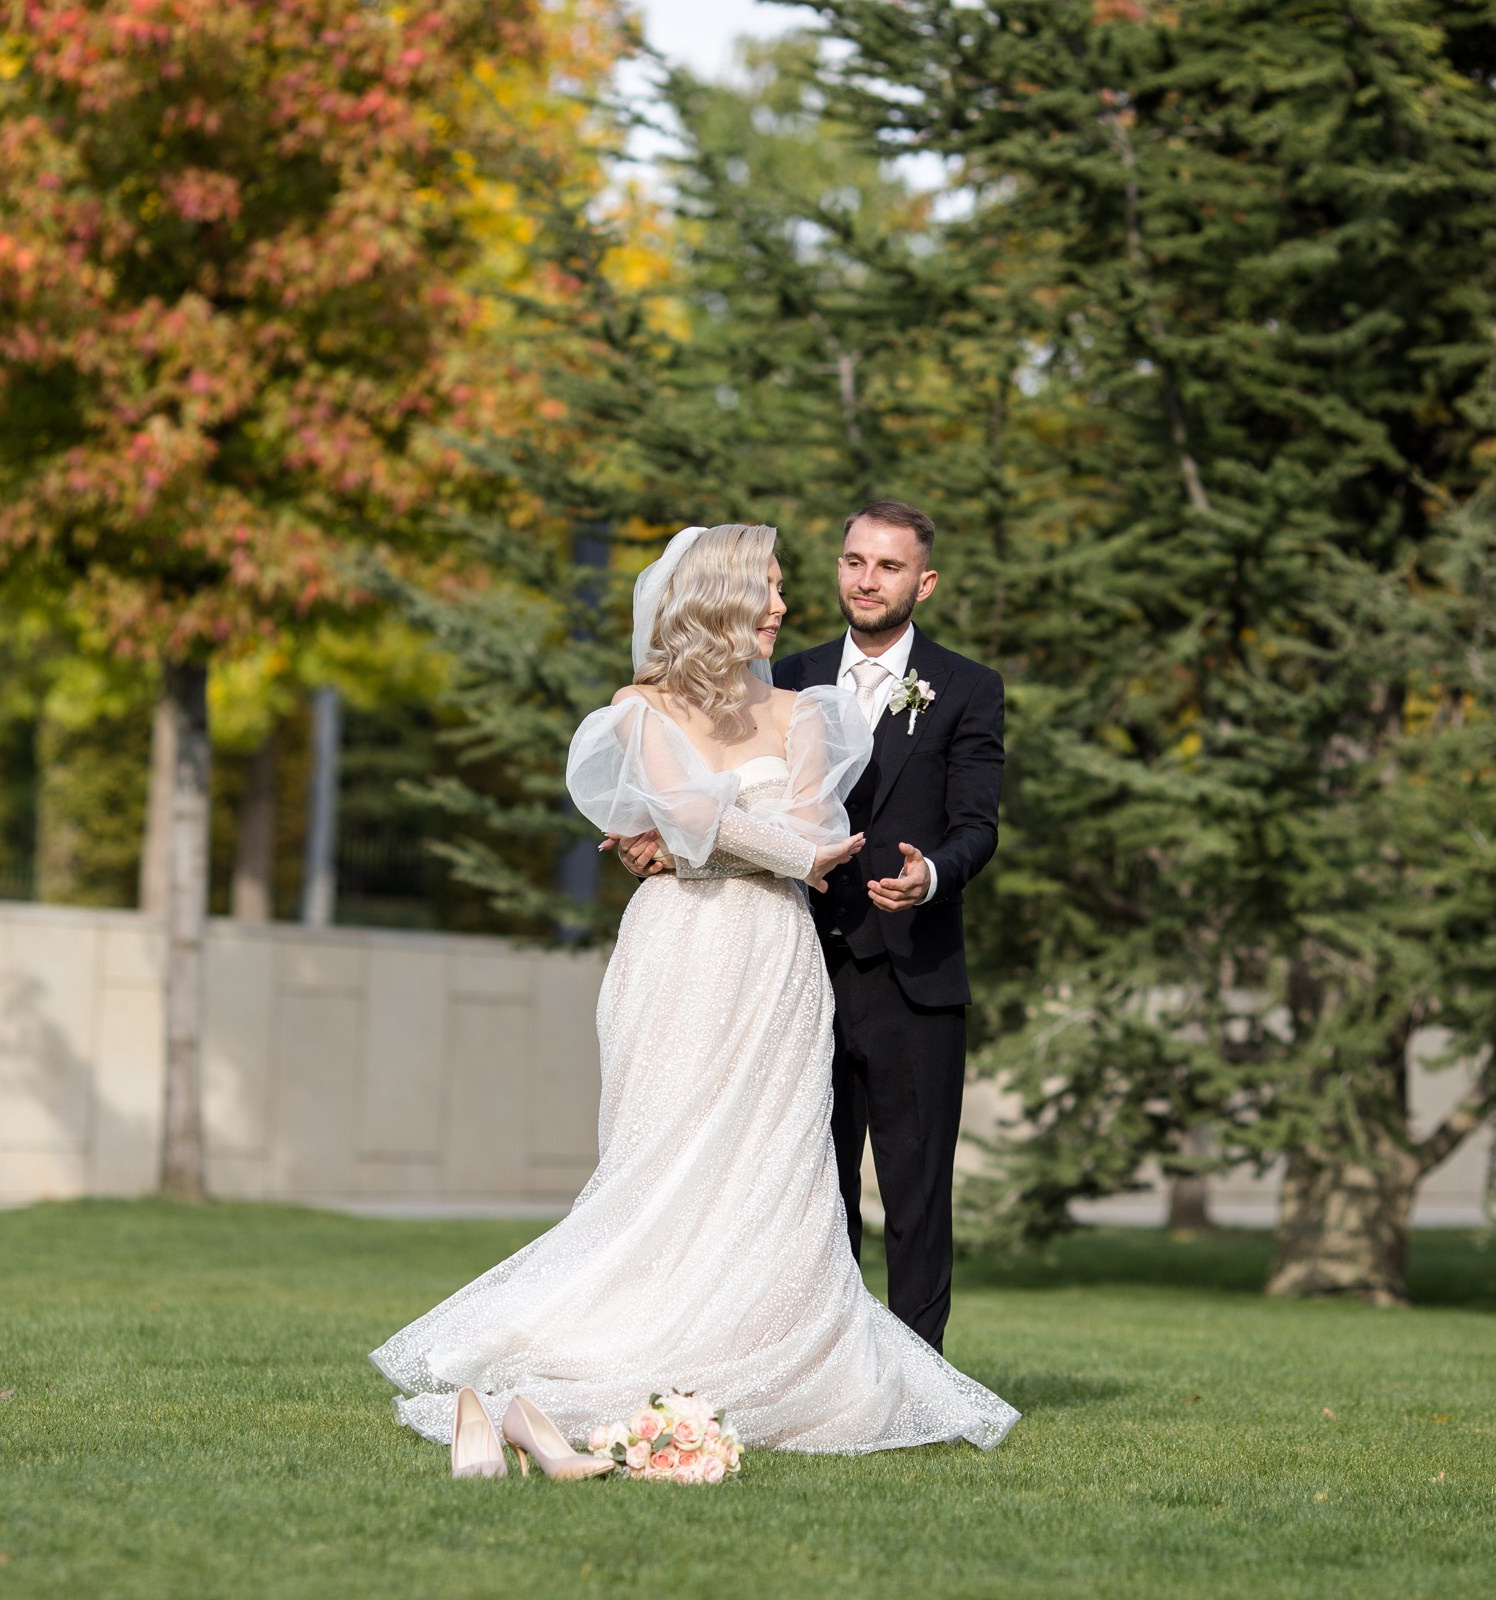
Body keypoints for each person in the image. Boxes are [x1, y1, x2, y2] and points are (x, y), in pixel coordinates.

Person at [370, 523, 1017, 1464]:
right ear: (723, 600)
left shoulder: (808, 708)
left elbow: (808, 831)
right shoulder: (660, 706)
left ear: (924, 578)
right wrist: (706, 832)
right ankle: (563, 1373)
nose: (794, 602)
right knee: (661, 1159)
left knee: (783, 1173)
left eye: (878, 565)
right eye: (780, 584)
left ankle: (805, 1366)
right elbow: (753, 828)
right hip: (681, 954)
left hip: (785, 956)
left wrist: (692, 834)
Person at [618, 501, 1002, 1353]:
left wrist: (932, 874)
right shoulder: (777, 674)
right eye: (853, 560)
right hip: (790, 966)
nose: (865, 579)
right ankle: (816, 1359)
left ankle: (916, 1373)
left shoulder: (968, 687)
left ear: (923, 582)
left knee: (914, 1192)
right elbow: (707, 796)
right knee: (801, 1189)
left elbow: (978, 822)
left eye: (888, 566)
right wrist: (666, 847)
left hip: (910, 972)